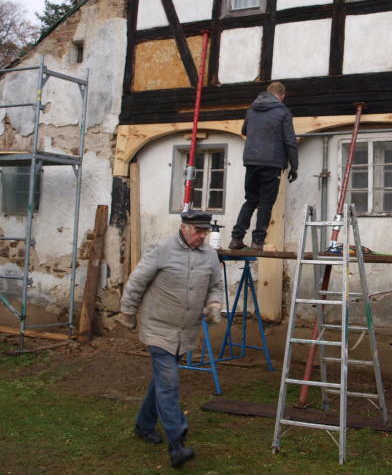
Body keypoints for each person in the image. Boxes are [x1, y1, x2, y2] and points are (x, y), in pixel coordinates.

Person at [117, 209, 223, 468]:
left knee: (161, 382)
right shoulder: (162, 249)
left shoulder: (209, 255)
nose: (202, 236)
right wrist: (128, 312)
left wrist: (214, 305)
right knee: (169, 382)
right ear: (184, 228)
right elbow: (137, 281)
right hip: (158, 327)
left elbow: (215, 286)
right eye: (198, 231)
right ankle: (177, 441)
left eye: (205, 232)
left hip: (184, 330)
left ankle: (144, 426)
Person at [228, 81, 298, 251]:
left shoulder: (252, 109)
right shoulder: (282, 111)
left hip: (251, 161)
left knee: (250, 200)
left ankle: (236, 239)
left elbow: (245, 130)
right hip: (271, 162)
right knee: (266, 203)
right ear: (282, 95)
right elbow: (289, 141)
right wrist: (294, 166)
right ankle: (258, 242)